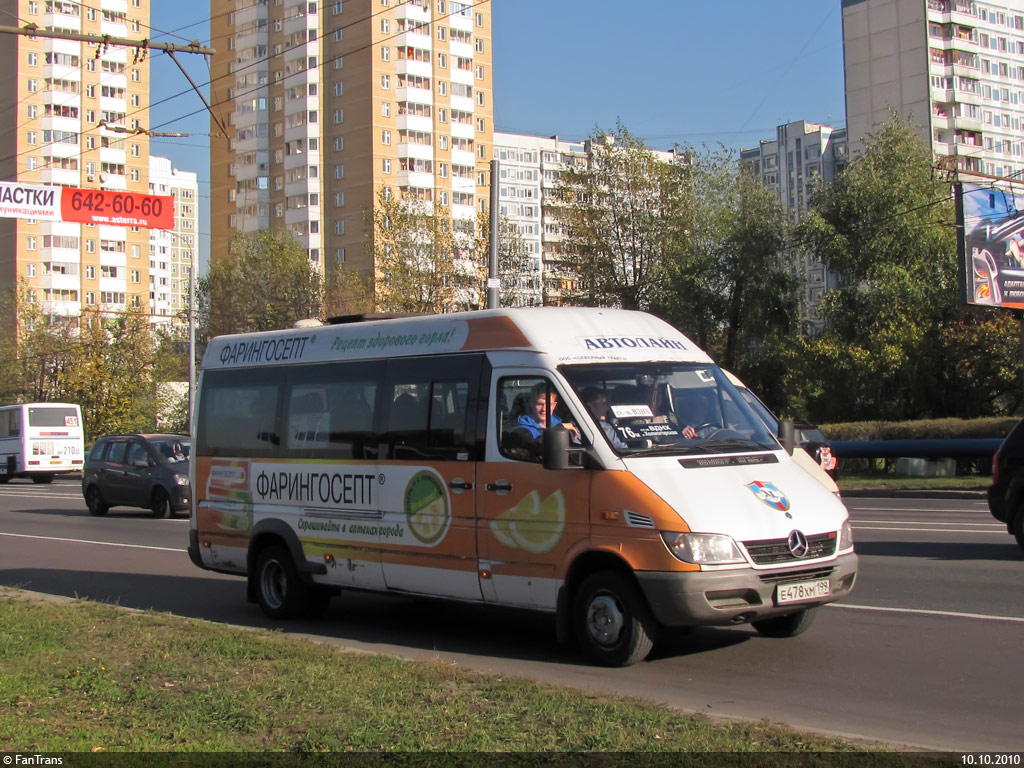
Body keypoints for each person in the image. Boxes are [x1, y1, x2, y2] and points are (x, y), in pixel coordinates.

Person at [581, 387, 629, 451]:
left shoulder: (607, 429)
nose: (607, 409)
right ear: (590, 406)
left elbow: (622, 450)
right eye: (603, 404)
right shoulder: (575, 429)